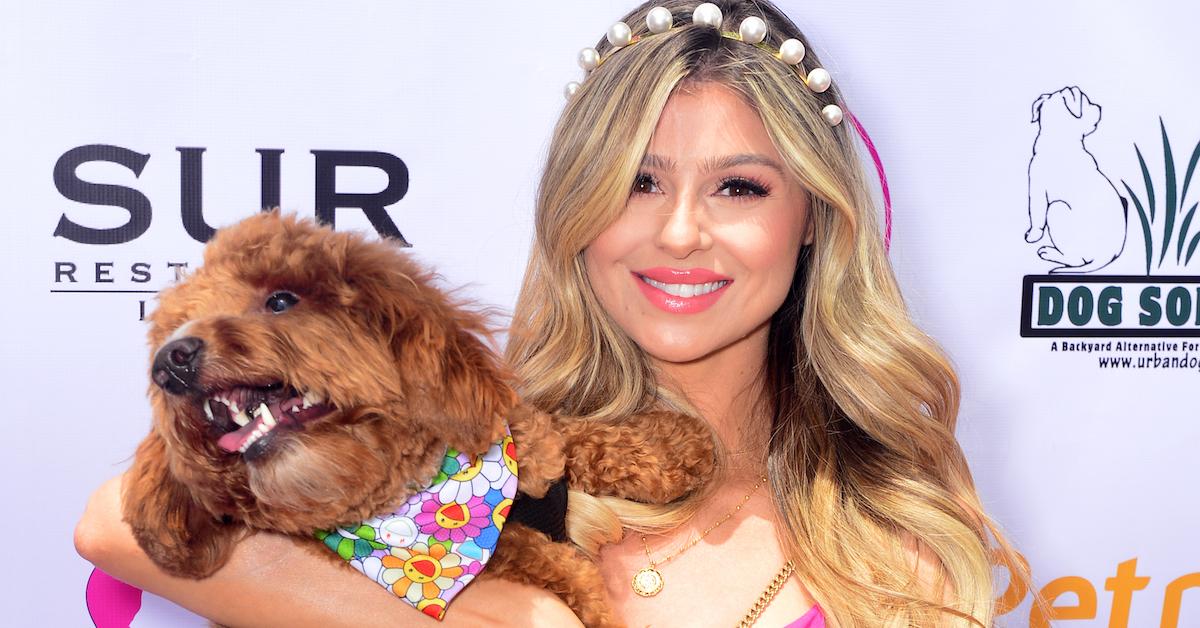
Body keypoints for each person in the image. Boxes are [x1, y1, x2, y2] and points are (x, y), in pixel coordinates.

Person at [76, 1, 1031, 626]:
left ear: (815, 217)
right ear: (576, 212)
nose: (681, 233)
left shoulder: (893, 534)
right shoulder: (448, 455)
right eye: (636, 183)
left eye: (739, 187)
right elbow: (118, 522)